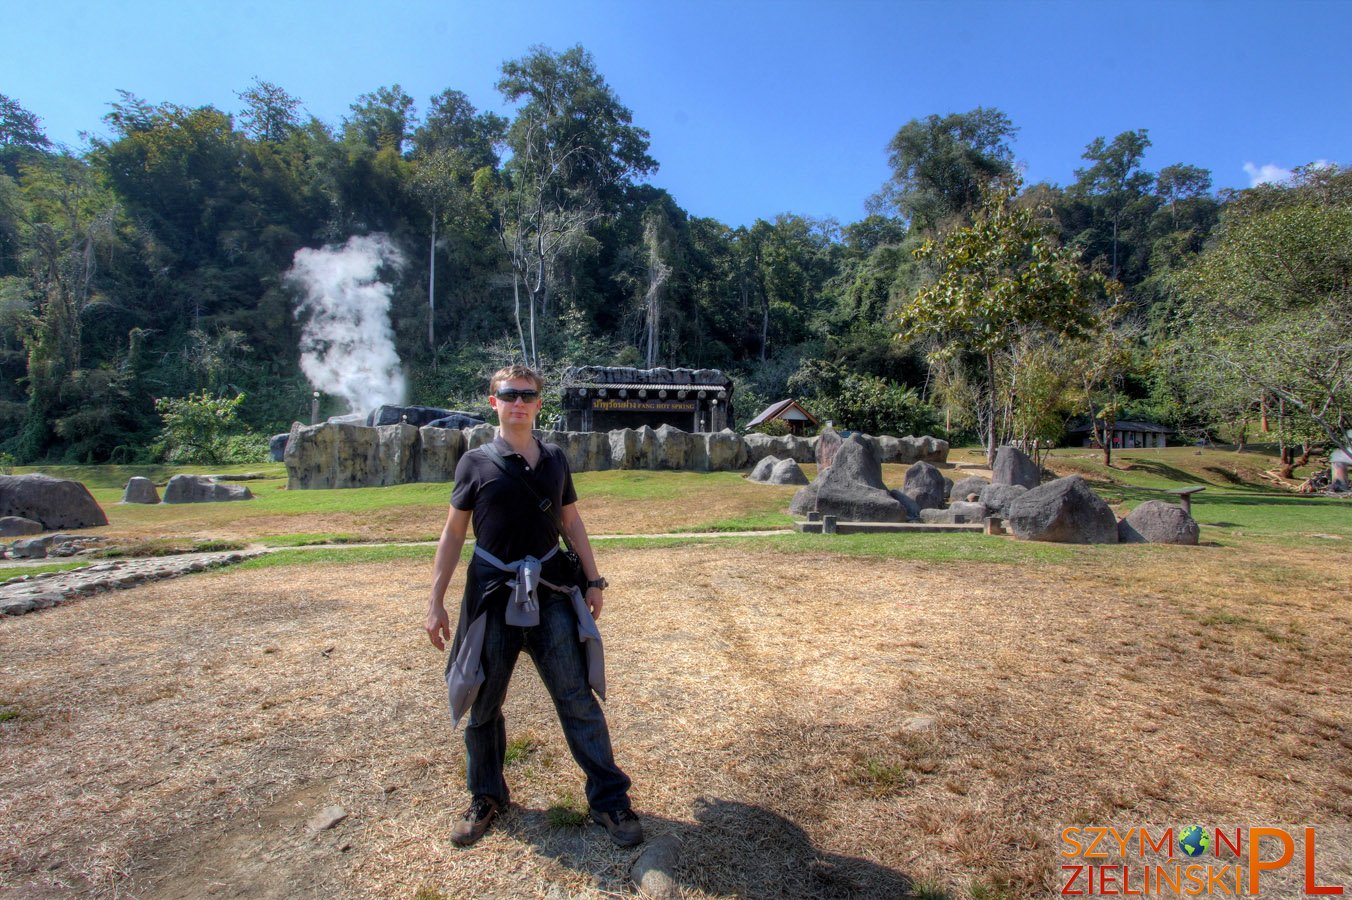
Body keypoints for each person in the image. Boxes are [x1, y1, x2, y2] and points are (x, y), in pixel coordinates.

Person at [424, 364, 642, 848]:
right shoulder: (474, 463)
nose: (518, 402)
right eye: (509, 394)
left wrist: (593, 578)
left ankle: (609, 799)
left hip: (551, 592)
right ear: (493, 401)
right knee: (483, 703)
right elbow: (454, 532)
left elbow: (572, 521)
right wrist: (435, 600)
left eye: (527, 394)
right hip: (491, 597)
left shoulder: (555, 459)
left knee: (576, 699)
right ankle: (486, 795)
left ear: (539, 403)